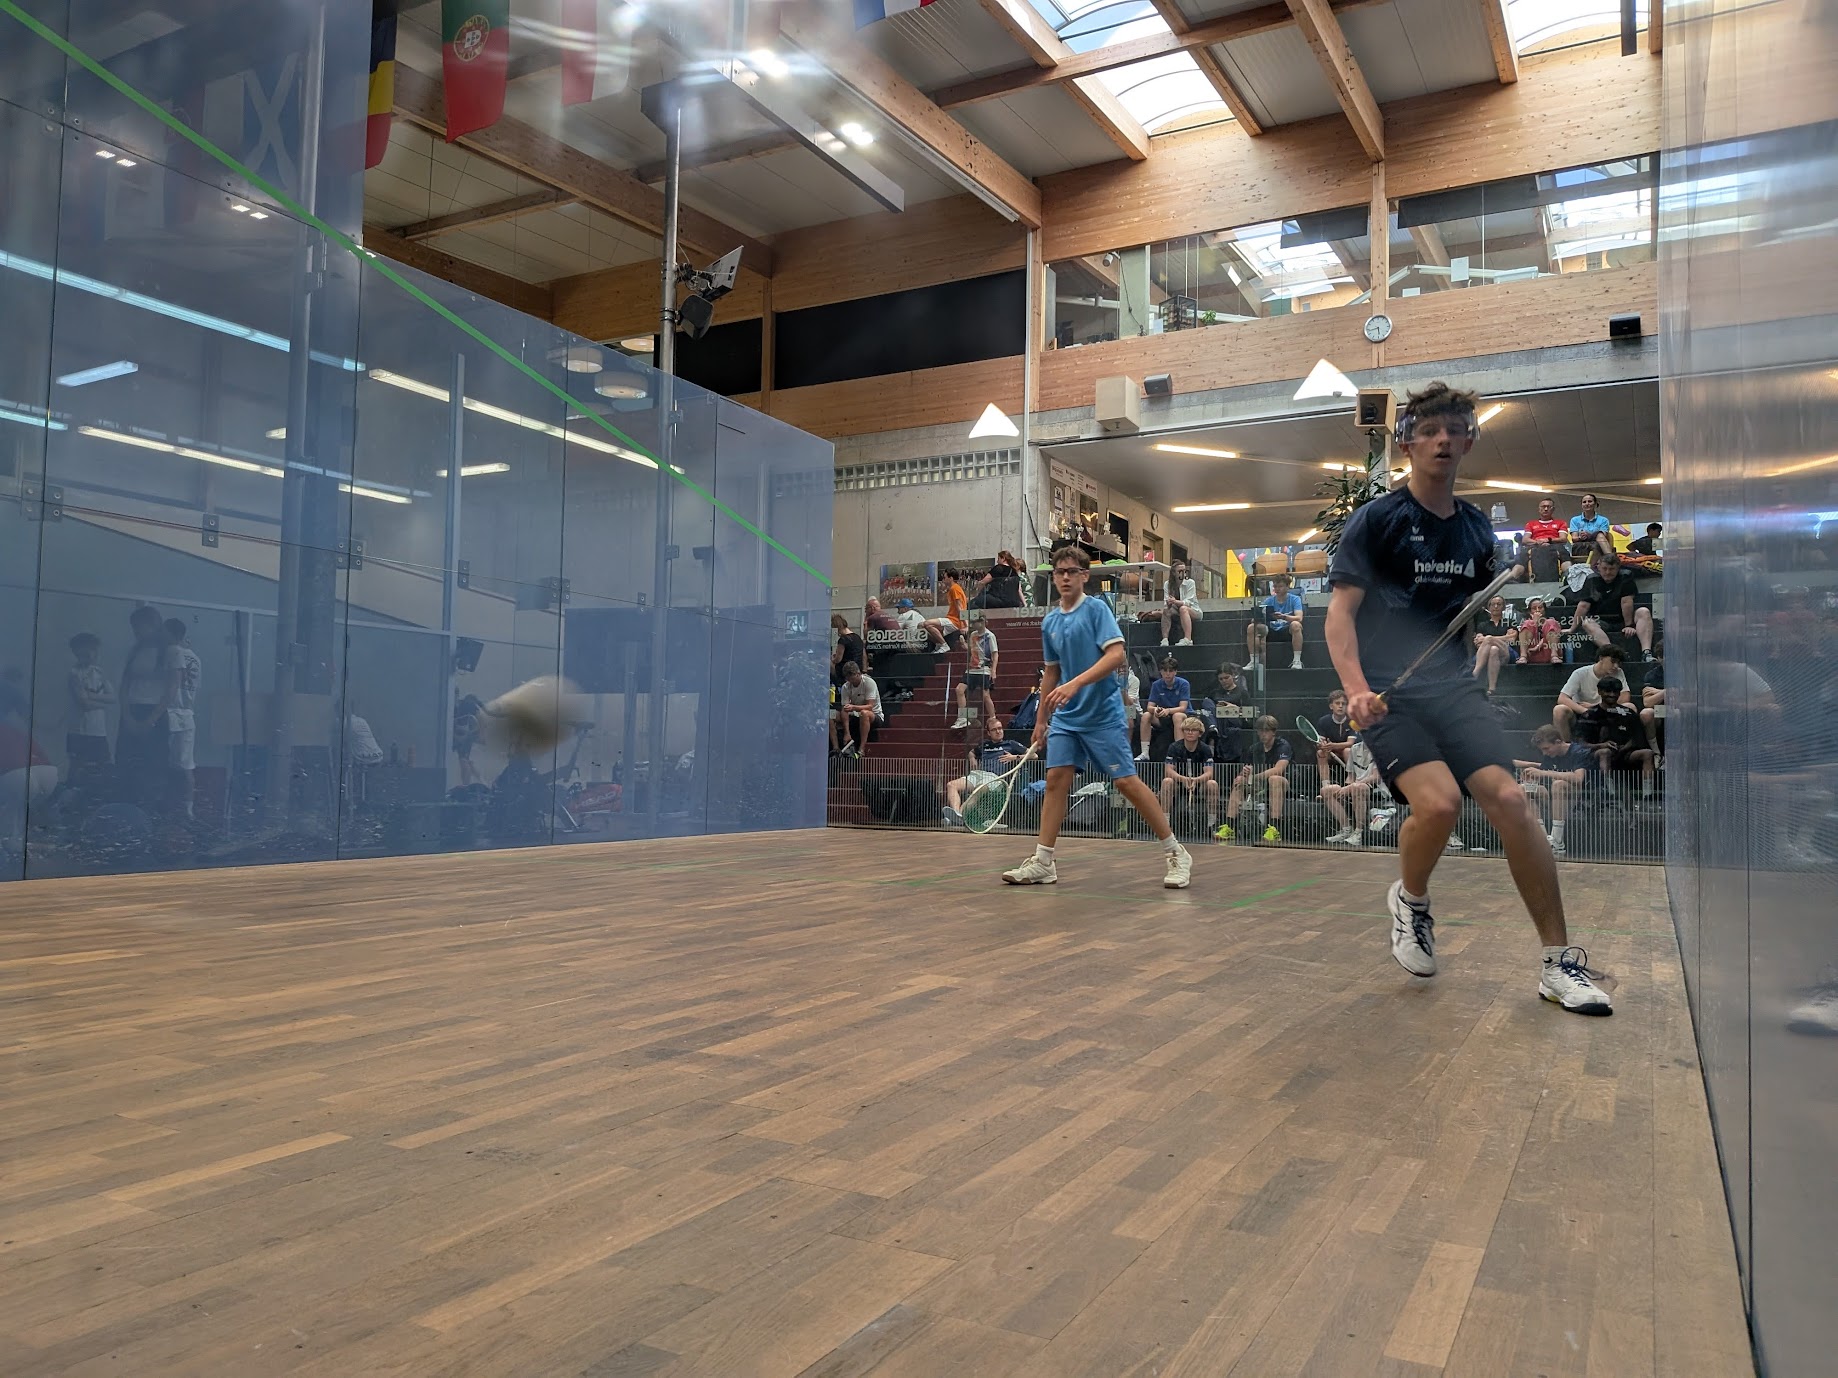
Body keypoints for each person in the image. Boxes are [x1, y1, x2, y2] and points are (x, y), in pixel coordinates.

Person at [1324, 379, 1610, 1014]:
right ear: (1406, 442)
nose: (1443, 439)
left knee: (1511, 799)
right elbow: (1339, 617)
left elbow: (1465, 612)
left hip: (1453, 689)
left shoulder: (1478, 530)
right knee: (1441, 805)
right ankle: (1412, 900)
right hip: (1389, 698)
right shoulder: (1377, 521)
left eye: (1455, 429)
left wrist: (1490, 630)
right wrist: (1356, 691)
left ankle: (1557, 964)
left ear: (1471, 440)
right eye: (1429, 430)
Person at [1001, 544, 1192, 888]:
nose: (1064, 578)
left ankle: (1177, 852)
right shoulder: (1050, 621)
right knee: (1057, 780)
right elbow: (1051, 673)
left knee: (1125, 783)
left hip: (1102, 715)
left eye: (1071, 571)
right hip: (1065, 719)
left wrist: (1075, 685)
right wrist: (1042, 719)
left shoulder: (1096, 610)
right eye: (1059, 572)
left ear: (1084, 576)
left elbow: (1116, 656)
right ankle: (1043, 861)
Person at [117, 605, 179, 810]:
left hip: (154, 713)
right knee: (126, 763)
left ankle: (152, 811)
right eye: (134, 627)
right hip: (131, 711)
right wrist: (127, 716)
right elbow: (124, 686)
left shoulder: (171, 651)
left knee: (154, 766)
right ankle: (128, 807)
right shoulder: (135, 651)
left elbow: (171, 691)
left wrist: (150, 719)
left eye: (140, 627)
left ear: (154, 625)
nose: (136, 632)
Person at [1514, 724, 1595, 855]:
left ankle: (1557, 841)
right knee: (1523, 789)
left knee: (1559, 784)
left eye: (1546, 749)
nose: (1545, 753)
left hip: (1581, 798)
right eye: (1542, 751)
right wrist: (1530, 780)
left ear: (1558, 742)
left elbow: (1578, 779)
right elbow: (1542, 776)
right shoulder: (1550, 756)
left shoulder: (1579, 752)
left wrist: (1545, 773)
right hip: (1555, 799)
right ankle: (1542, 841)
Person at [1578, 676, 1657, 800]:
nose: (1612, 694)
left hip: (1625, 754)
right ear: (1599, 691)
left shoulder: (1629, 713)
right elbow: (1580, 743)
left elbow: (1638, 738)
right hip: (1597, 755)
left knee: (1648, 753)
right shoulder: (1590, 715)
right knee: (1605, 752)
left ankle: (1648, 796)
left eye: (1615, 692)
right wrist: (1601, 745)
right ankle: (1610, 794)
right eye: (1608, 691)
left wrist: (1626, 747)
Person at [942, 716, 1028, 826]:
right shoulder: (984, 744)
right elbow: (971, 752)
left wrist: (1014, 757)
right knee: (951, 785)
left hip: (994, 779)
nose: (998, 731)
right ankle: (957, 815)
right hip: (977, 774)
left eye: (1000, 728)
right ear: (988, 733)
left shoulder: (1010, 744)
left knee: (979, 789)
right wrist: (972, 758)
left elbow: (1033, 755)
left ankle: (958, 815)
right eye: (994, 729)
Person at [1219, 714, 1290, 844]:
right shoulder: (1254, 749)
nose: (1263, 734)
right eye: (1260, 730)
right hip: (1258, 785)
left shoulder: (1282, 745)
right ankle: (1229, 826)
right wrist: (1242, 775)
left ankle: (1274, 829)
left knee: (1274, 779)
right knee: (1239, 782)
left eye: (1266, 731)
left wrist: (1255, 776)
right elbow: (1245, 770)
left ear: (1273, 732)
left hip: (1282, 784)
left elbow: (1279, 769)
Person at [1573, 551, 1655, 660]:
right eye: (1605, 568)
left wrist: (1629, 625)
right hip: (1601, 620)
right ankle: (1613, 653)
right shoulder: (1591, 579)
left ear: (1618, 568)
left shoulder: (1625, 576)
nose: (1607, 572)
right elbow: (1583, 605)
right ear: (1599, 567)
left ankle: (1646, 653)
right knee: (1587, 623)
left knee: (1644, 611)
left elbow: (1626, 602)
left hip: (1623, 618)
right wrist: (1572, 628)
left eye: (1611, 569)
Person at [163, 617, 202, 818]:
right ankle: (188, 808)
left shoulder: (171, 653)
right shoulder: (195, 657)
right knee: (187, 764)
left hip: (170, 711)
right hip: (187, 714)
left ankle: (170, 806)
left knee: (168, 763)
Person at [1554, 645, 1630, 742]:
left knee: (1629, 706)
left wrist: (1595, 707)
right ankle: (1567, 749)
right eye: (1613, 661)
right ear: (1601, 658)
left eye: (1618, 663)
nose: (1616, 666)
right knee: (1559, 710)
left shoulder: (1618, 672)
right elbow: (1562, 698)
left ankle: (1625, 746)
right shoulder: (1580, 673)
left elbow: (1625, 697)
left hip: (1608, 711)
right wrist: (1586, 711)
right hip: (1582, 714)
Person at [1157, 717, 1220, 832]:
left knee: (1212, 784)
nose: (1190, 732)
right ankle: (1164, 825)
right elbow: (1169, 770)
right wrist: (1183, 779)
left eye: (1194, 730)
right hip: (1179, 783)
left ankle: (1212, 825)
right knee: (1167, 781)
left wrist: (1196, 780)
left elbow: (1209, 773)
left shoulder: (1205, 749)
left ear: (1200, 733)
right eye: (1187, 729)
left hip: (1199, 785)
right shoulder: (1174, 747)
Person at [65, 631, 114, 771]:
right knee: (78, 770)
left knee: (102, 768)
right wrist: (103, 704)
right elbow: (84, 704)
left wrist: (92, 697)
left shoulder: (100, 672)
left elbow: (113, 698)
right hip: (79, 731)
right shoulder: (74, 673)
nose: (93, 653)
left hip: (99, 731)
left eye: (94, 650)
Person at [1323, 731, 1380, 845]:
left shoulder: (1382, 749)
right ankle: (1346, 830)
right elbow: (1350, 776)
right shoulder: (1354, 749)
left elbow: (1376, 777)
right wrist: (1346, 787)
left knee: (1357, 787)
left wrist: (1351, 787)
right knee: (1327, 791)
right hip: (1355, 786)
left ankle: (1359, 832)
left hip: (1377, 789)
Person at [1135, 654, 1191, 762]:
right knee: (1146, 715)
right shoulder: (1156, 685)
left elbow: (1183, 707)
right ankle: (1144, 752)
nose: (1167, 674)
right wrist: (1156, 710)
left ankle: (1178, 752)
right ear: (1161, 672)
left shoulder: (1184, 684)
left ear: (1175, 672)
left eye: (1170, 671)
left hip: (1181, 715)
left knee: (1177, 716)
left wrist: (1168, 710)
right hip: (1163, 716)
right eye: (1165, 671)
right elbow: (1150, 706)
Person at [1248, 573, 1305, 670]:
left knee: (1296, 625)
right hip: (1271, 629)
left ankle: (1297, 660)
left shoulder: (1295, 599)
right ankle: (1253, 661)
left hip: (1287, 629)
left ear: (1287, 587)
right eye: (1275, 586)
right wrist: (1257, 617)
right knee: (1251, 627)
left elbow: (1299, 617)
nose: (1277, 589)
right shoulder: (1269, 600)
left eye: (1280, 586)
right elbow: (1257, 617)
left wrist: (1284, 617)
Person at [952, 612, 999, 729]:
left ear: (982, 622)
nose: (973, 624)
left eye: (975, 622)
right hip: (971, 669)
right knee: (959, 689)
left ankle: (993, 717)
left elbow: (995, 654)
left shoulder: (989, 636)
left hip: (983, 669)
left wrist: (993, 670)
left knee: (985, 695)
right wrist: (963, 644)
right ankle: (963, 718)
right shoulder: (973, 634)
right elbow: (972, 649)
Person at [1197, 662, 1252, 758]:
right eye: (1221, 679)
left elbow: (1250, 713)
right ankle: (1213, 728)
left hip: (1233, 720)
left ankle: (1214, 729)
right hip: (1218, 718)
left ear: (1233, 676)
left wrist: (1234, 708)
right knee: (1207, 702)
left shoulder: (1242, 692)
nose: (1224, 681)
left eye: (1226, 678)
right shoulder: (1215, 693)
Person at [1470, 593, 1519, 695]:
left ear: (1504, 607)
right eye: (1493, 604)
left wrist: (1489, 638)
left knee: (1488, 639)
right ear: (1489, 607)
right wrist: (1503, 637)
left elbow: (1511, 640)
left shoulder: (1510, 622)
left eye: (1499, 604)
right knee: (1493, 650)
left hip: (1507, 653)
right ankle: (1492, 689)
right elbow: (1478, 643)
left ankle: (1475, 673)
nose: (1496, 606)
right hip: (1488, 654)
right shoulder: (1482, 625)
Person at [836, 661, 881, 758]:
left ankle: (861, 749)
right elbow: (845, 708)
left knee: (864, 713)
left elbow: (870, 706)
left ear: (858, 674)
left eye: (853, 679)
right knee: (833, 715)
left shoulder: (869, 683)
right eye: (849, 679)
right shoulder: (846, 686)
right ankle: (837, 747)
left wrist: (854, 707)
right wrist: (846, 732)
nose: (851, 682)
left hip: (873, 714)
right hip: (855, 714)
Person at [1523, 496, 1570, 583]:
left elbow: (1563, 539)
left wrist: (1548, 540)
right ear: (1539, 509)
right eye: (1543, 506)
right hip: (1535, 547)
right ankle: (1514, 578)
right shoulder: (1531, 524)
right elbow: (1525, 540)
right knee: (1521, 557)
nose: (1545, 509)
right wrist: (1538, 542)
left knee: (1564, 555)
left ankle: (1570, 576)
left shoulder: (1561, 523)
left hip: (1555, 546)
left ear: (1553, 509)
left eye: (1548, 507)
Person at [1312, 687, 1354, 781]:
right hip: (1330, 753)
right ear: (1331, 706)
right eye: (1337, 703)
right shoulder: (1323, 721)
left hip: (1348, 753)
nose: (1340, 706)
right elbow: (1320, 742)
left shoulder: (1352, 721)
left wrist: (1333, 745)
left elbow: (1350, 743)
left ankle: (1351, 781)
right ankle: (1326, 785)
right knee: (1320, 753)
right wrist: (1322, 745)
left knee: (1347, 751)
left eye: (1343, 704)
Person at [1159, 560, 1203, 647]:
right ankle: (1164, 639)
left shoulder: (1190, 583)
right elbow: (1166, 602)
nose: (1183, 573)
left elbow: (1188, 602)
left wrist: (1175, 601)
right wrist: (1169, 603)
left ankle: (1188, 639)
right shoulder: (1167, 584)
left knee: (1183, 609)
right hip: (1176, 610)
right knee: (1166, 610)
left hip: (1194, 610)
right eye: (1180, 571)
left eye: (1184, 571)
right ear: (1174, 573)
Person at [1568, 492, 1614, 561]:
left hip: (1597, 543)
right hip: (1581, 545)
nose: (1587, 504)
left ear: (1595, 504)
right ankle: (1610, 559)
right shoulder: (1574, 520)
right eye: (1584, 502)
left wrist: (1590, 535)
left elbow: (1604, 535)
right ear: (1582, 505)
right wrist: (1581, 537)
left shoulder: (1603, 520)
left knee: (1599, 537)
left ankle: (1609, 559)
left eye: (1590, 501)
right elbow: (1574, 538)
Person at [1517, 596, 1561, 665]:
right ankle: (1523, 656)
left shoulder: (1552, 622)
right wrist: (1534, 623)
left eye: (1540, 607)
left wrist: (1538, 646)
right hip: (1531, 653)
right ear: (1530, 611)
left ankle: (1554, 656)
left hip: (1548, 652)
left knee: (1551, 622)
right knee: (1528, 623)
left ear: (1544, 609)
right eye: (1534, 608)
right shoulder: (1526, 623)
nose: (1537, 610)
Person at [830, 614, 866, 685]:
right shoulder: (858, 638)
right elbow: (863, 655)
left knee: (827, 663)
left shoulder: (843, 640)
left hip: (845, 670)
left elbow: (838, 659)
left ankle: (835, 686)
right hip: (857, 668)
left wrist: (832, 659)